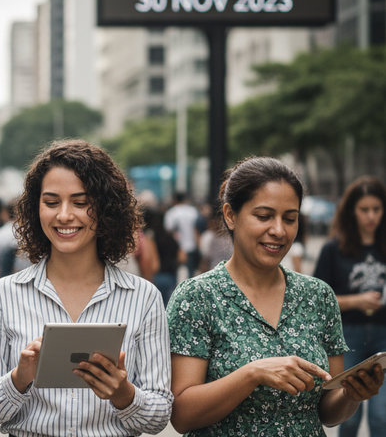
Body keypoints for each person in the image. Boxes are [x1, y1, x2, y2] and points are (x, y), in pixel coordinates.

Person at [167, 156, 384, 436]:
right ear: (231, 215)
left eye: (290, 219)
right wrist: (252, 374)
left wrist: (352, 394)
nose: (279, 231)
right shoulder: (196, 297)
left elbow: (328, 413)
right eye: (264, 216)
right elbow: (182, 415)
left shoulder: (318, 296)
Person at [0, 139, 172, 436]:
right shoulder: (2, 295)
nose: (64, 215)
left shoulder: (144, 297)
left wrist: (123, 394)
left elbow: (159, 416)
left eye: (80, 202)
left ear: (105, 209)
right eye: (51, 202)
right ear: (35, 208)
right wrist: (18, 378)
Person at [313, 176, 386, 437]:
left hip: (383, 338)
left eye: (376, 209)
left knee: (381, 417)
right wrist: (357, 300)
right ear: (351, 211)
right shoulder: (334, 249)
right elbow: (318, 299)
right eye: (364, 209)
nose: (371, 216)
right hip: (348, 337)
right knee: (348, 416)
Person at [164, 192, 201, 279]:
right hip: (192, 245)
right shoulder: (193, 211)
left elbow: (168, 230)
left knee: (177, 274)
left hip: (177, 247)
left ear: (175, 200)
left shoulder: (172, 212)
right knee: (191, 274)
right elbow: (197, 229)